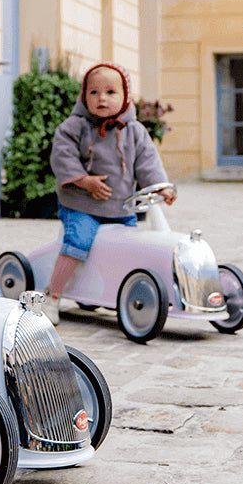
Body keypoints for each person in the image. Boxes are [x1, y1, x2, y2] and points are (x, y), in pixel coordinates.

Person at [45, 62, 175, 325]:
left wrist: (161, 186)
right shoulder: (74, 127)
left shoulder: (135, 131)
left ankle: (117, 292)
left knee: (130, 248)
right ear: (84, 96)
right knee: (78, 242)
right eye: (93, 92)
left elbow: (148, 162)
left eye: (110, 92)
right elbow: (62, 156)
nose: (101, 98)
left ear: (125, 96)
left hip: (121, 209)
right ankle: (52, 296)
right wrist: (84, 181)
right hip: (82, 207)